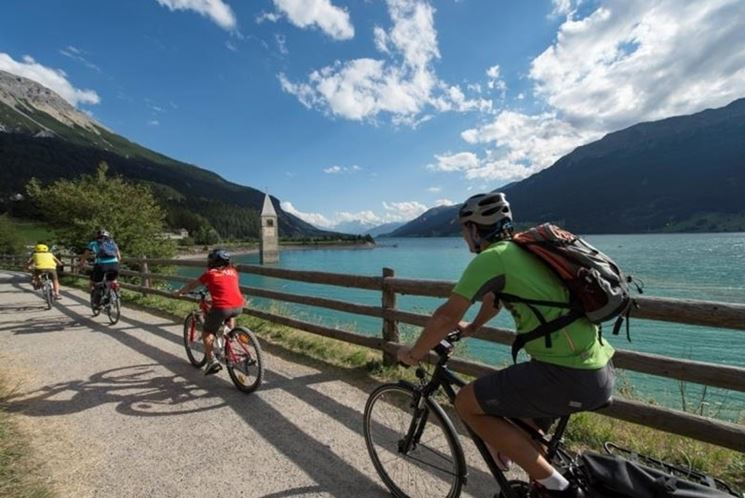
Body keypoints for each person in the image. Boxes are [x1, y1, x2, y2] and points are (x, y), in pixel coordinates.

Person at [397, 192, 615, 498]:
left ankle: (562, 490)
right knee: (524, 423)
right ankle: (538, 487)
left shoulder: (494, 257)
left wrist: (413, 353)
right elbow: (494, 298)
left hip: (567, 374)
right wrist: (472, 327)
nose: (463, 237)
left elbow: (446, 316)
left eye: (464, 230)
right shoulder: (523, 250)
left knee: (466, 404)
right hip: (597, 368)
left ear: (474, 229)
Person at [176, 249, 245, 375]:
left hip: (222, 308)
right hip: (239, 306)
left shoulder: (210, 273)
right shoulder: (233, 272)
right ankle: (231, 334)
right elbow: (224, 285)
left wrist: (181, 291)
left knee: (207, 332)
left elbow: (193, 285)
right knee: (229, 312)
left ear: (213, 261)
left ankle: (211, 360)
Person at [82, 229, 121, 308]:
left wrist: (82, 262)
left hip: (101, 265)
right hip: (114, 264)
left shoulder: (93, 243)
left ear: (97, 236)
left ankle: (97, 303)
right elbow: (119, 257)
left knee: (97, 282)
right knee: (112, 280)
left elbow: (86, 254)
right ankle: (115, 290)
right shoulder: (113, 243)